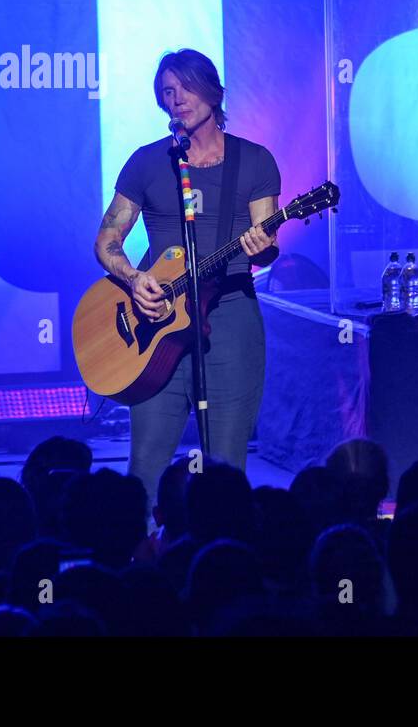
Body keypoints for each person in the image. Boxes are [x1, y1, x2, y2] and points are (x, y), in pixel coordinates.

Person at [92, 49, 281, 510]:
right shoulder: (147, 163)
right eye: (166, 92)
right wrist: (135, 279)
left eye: (185, 87)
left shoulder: (254, 161)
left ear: (212, 90)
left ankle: (219, 568)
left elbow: (268, 239)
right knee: (146, 470)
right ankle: (143, 566)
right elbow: (107, 238)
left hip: (230, 316)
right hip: (156, 324)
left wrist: (265, 247)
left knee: (226, 472)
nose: (176, 100)